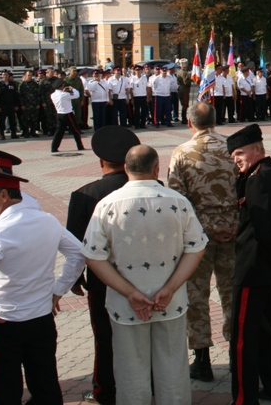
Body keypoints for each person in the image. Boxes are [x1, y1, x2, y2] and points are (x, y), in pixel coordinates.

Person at [82, 145, 207, 405]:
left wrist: (130, 293)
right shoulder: (178, 201)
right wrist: (170, 288)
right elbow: (196, 247)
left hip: (125, 305)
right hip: (170, 302)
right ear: (157, 168)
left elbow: (93, 255)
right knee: (173, 368)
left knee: (130, 372)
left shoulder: (107, 205)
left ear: (126, 169)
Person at [0, 166, 84, 404]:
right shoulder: (48, 220)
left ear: (3, 196)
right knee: (45, 386)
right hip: (41, 319)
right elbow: (79, 255)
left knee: (5, 391)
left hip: (5, 324)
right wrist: (58, 290)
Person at [66, 125, 141, 404]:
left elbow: (75, 247)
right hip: (146, 275)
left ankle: (105, 391)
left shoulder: (84, 194)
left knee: (105, 337)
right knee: (142, 334)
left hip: (102, 279)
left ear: (100, 161)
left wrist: (74, 280)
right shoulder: (150, 190)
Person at [166, 102, 239, 382]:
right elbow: (246, 188)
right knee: (231, 292)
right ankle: (236, 354)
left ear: (189, 123)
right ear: (216, 121)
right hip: (233, 231)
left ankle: (202, 360)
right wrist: (233, 223)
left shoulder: (182, 153)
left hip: (198, 239)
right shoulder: (233, 147)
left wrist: (206, 229)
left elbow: (177, 201)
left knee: (196, 296)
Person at [227, 124, 271, 405]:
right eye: (233, 156)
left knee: (242, 339)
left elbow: (264, 229)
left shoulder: (257, 180)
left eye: (240, 153)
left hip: (253, 268)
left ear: (257, 149)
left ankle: (244, 399)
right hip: (268, 268)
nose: (236, 159)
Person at [49, 79, 85, 153]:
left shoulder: (53, 95)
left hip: (59, 114)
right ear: (61, 86)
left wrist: (64, 90)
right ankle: (80, 146)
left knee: (59, 132)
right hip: (68, 114)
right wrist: (73, 89)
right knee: (76, 130)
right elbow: (77, 95)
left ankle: (54, 147)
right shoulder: (64, 95)